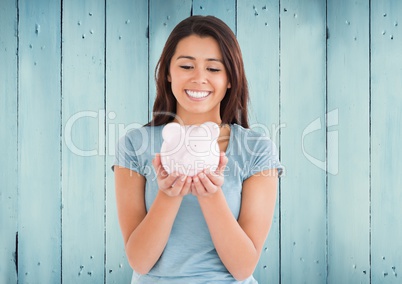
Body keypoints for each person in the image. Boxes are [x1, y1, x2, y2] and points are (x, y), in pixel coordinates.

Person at [113, 15, 283, 284]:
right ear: (168, 73)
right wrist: (168, 195)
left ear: (230, 78)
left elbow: (243, 268)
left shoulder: (257, 150)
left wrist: (210, 195)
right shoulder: (135, 144)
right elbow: (139, 261)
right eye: (186, 66)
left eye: (214, 69)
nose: (199, 78)